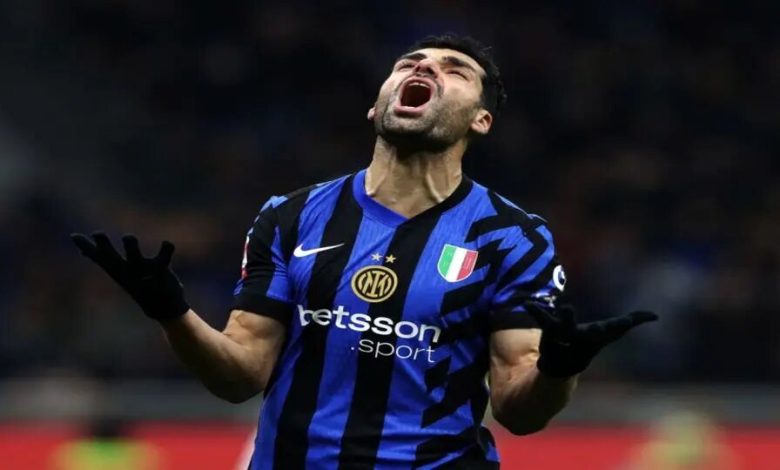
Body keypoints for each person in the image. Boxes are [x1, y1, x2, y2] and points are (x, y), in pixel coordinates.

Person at [71, 34, 657, 469]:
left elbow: (518, 410)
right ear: (377, 107)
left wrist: (557, 370)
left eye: (454, 70)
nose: (424, 68)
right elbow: (240, 375)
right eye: (409, 63)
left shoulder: (511, 238)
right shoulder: (292, 214)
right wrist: (172, 313)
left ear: (481, 120)